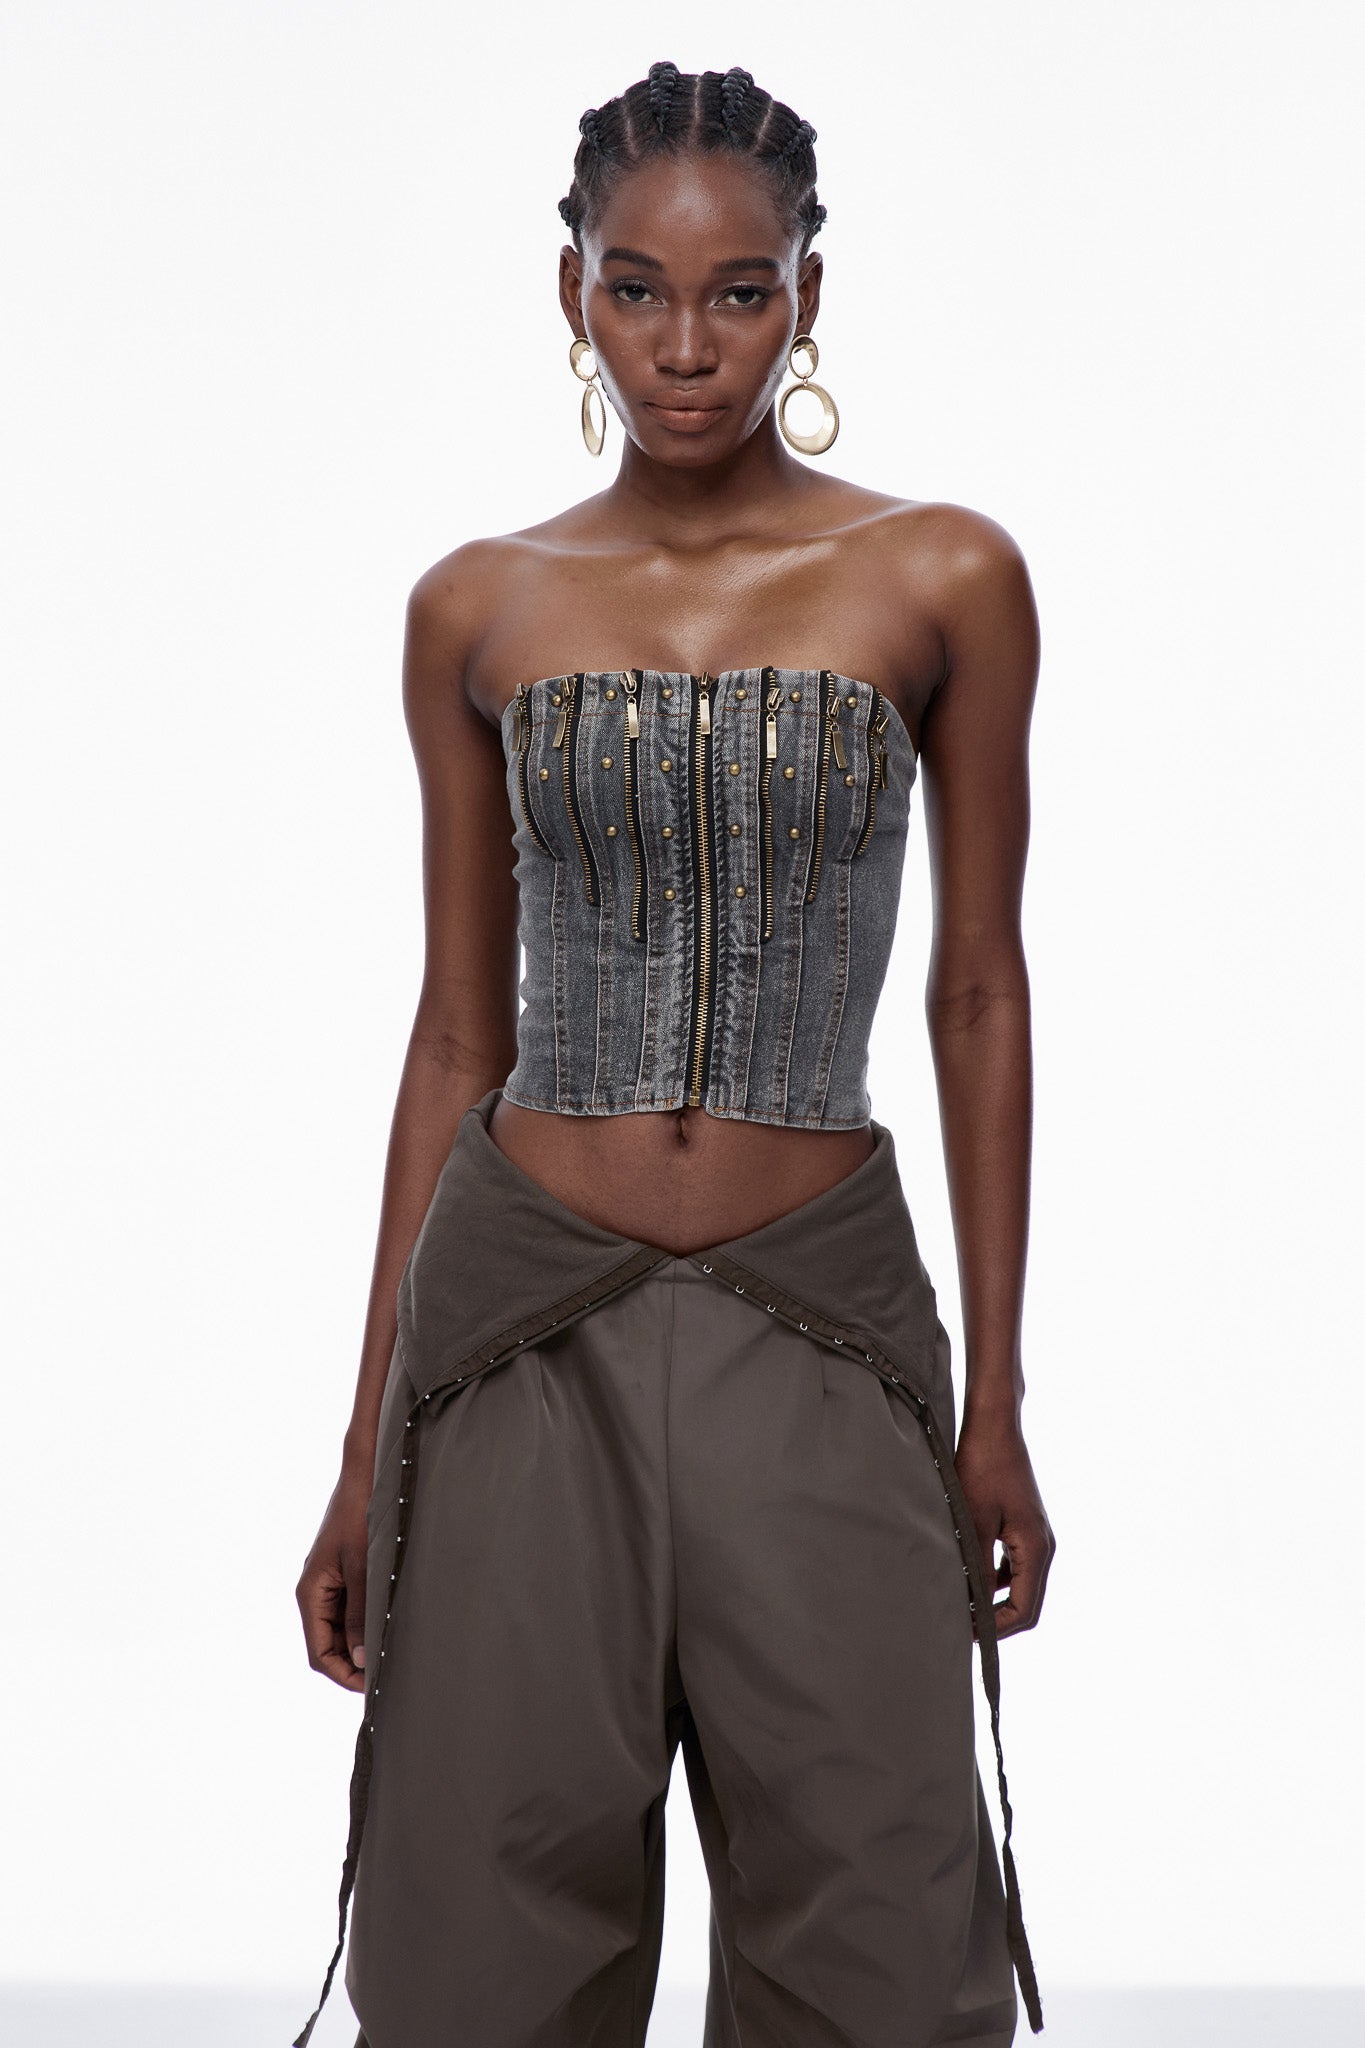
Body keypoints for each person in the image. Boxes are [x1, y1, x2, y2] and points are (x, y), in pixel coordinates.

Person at [292, 60, 1055, 2048]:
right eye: (635, 290)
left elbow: (978, 990)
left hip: (818, 1307)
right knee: (482, 1938)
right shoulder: (477, 604)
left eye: (737, 291)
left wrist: (991, 1403)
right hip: (517, 1317)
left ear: (809, 289)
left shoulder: (942, 575)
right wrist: (363, 1449)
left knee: (880, 1929)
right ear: (571, 291)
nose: (686, 346)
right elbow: (454, 1030)